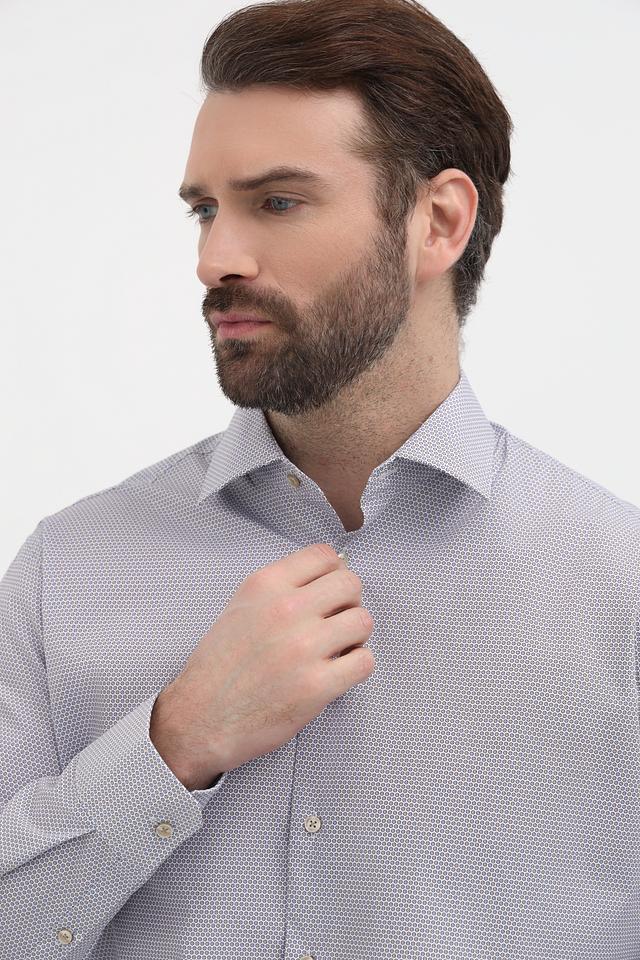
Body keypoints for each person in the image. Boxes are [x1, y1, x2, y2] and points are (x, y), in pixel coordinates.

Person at [2, 0, 638, 957]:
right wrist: (172, 747)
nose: (215, 258)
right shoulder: (68, 569)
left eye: (278, 203)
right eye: (205, 210)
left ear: (438, 222)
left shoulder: (619, 590)